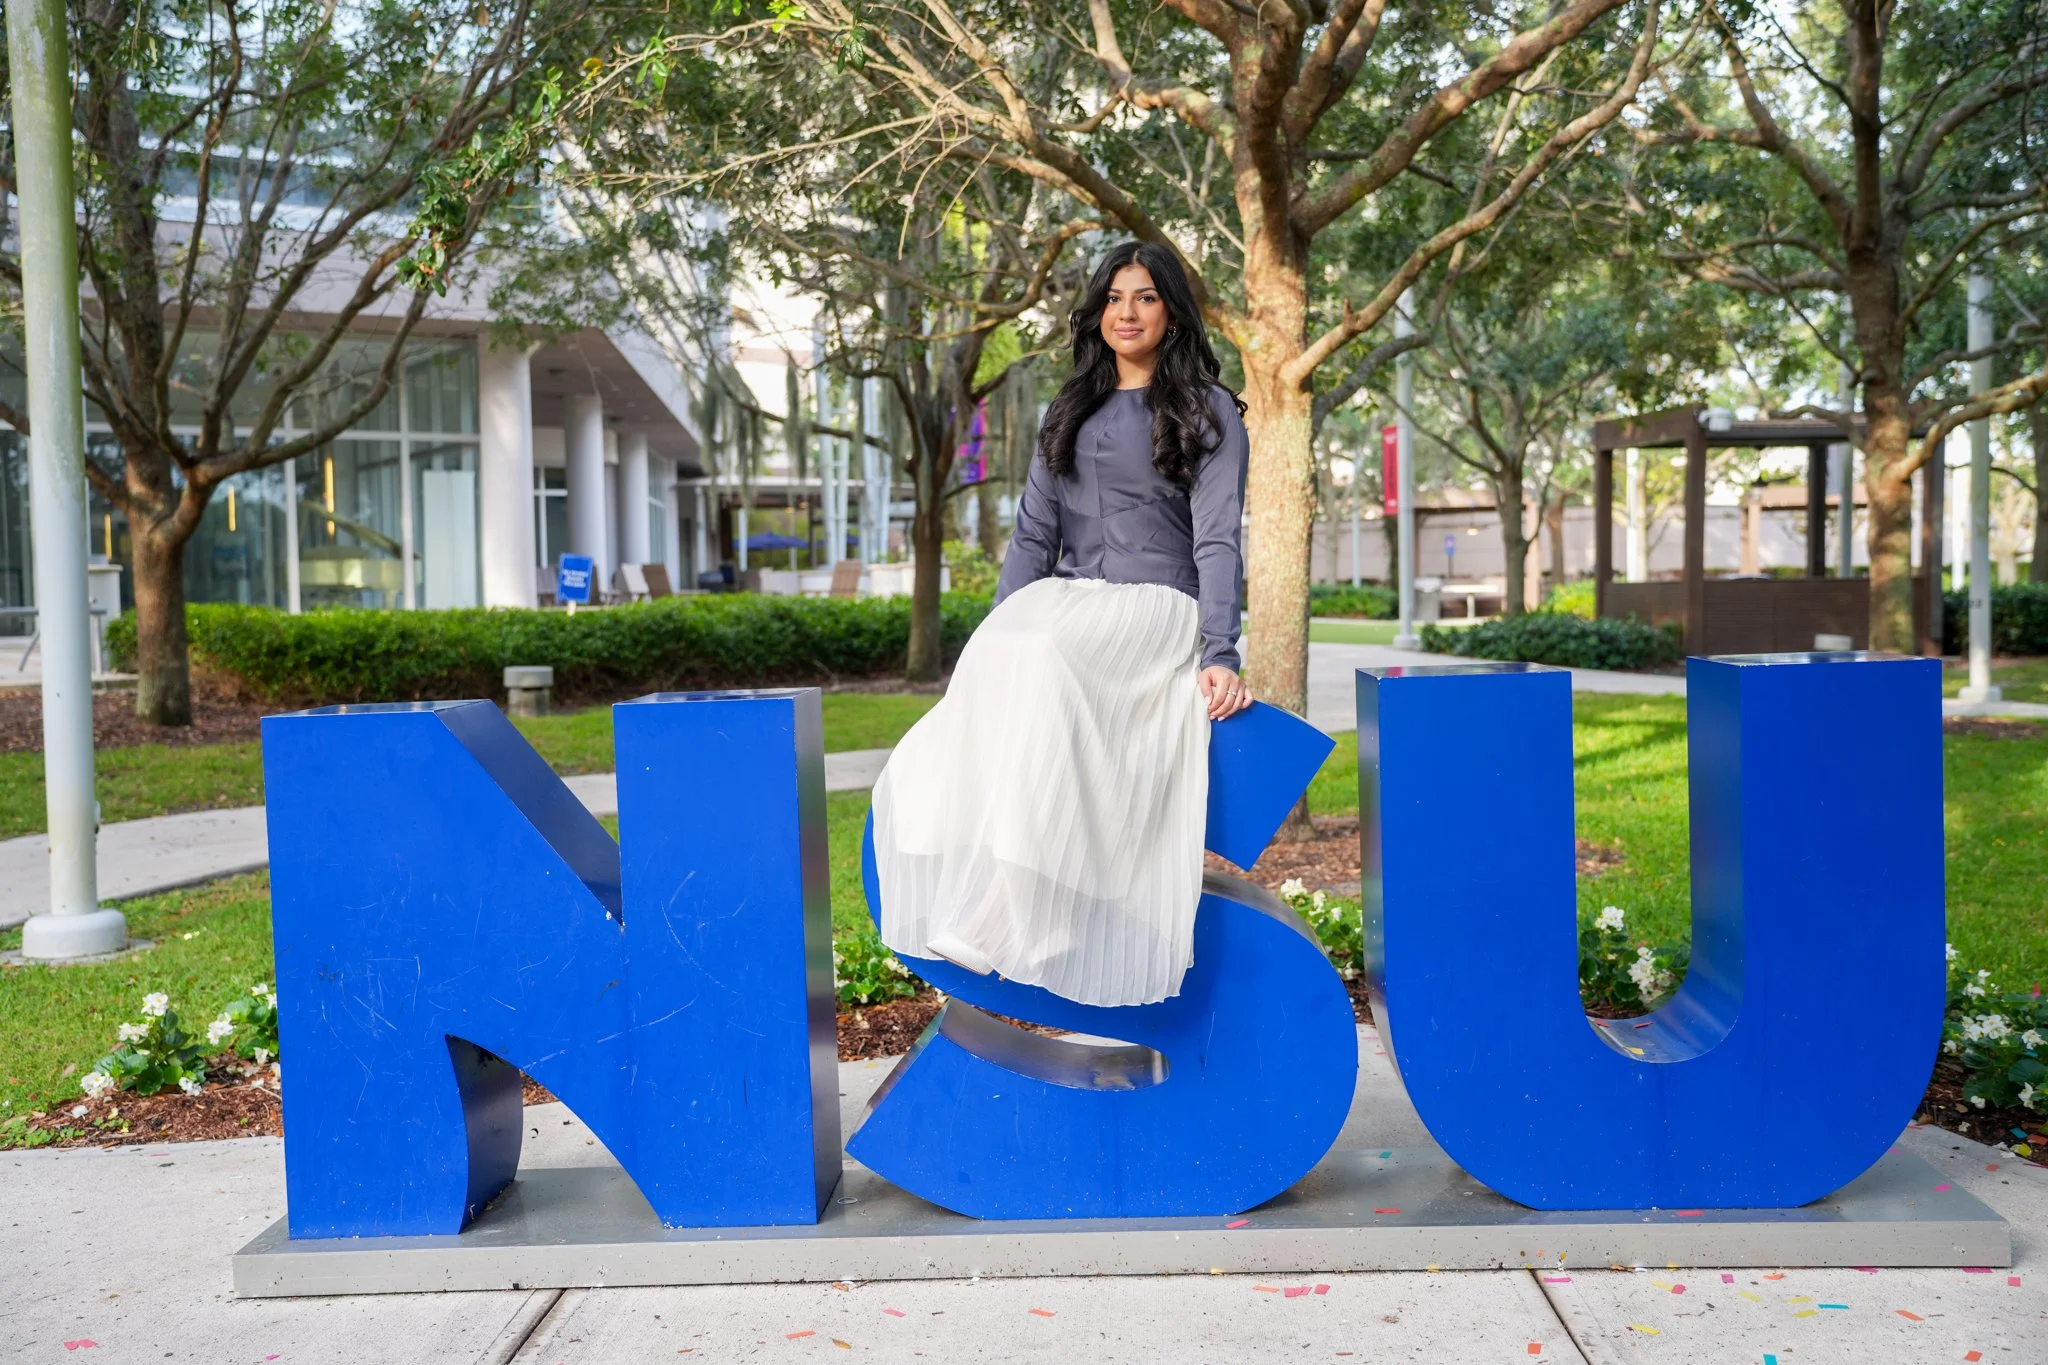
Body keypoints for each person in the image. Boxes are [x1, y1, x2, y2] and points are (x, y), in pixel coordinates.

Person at [869, 240, 1252, 1009]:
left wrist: (1220, 646)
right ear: (1097, 312)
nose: (1127, 312)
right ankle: (1016, 892)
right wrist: (993, 637)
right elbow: (1033, 537)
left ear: (1171, 311)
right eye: (1114, 298)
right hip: (1071, 600)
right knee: (1013, 641)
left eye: (1144, 297)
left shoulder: (1208, 410)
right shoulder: (1069, 408)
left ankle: (1026, 910)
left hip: (1155, 605)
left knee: (1043, 650)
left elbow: (1217, 538)